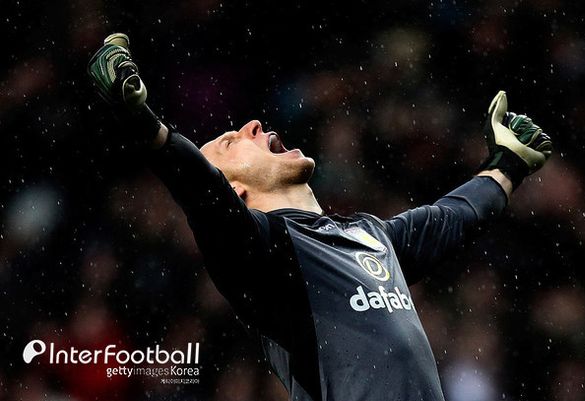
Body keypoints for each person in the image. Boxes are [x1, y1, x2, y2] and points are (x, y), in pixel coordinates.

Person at [87, 33, 552, 401]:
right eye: (231, 142)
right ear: (234, 191)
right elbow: (198, 190)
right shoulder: (263, 258)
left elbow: (454, 217)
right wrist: (141, 121)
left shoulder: (372, 234)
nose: (252, 126)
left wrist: (506, 165)